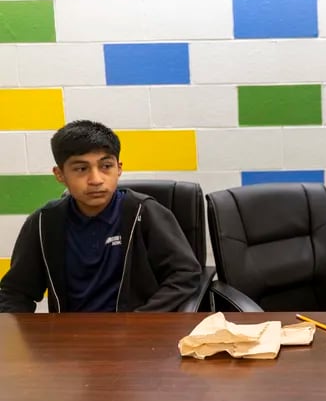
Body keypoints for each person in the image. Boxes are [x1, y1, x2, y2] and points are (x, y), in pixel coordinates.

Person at [0, 120, 201, 312]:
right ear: (60, 174)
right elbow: (15, 292)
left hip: (137, 334)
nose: (96, 180)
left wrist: (142, 319)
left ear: (119, 168)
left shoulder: (144, 213)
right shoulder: (45, 222)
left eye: (106, 166)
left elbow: (185, 275)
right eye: (81, 169)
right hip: (70, 336)